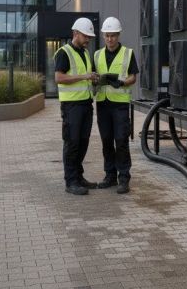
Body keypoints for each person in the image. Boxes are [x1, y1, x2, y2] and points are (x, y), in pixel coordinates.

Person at [54, 17, 100, 195]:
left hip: (86, 104)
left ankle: (79, 177)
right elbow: (59, 77)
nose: (88, 39)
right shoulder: (64, 52)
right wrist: (84, 77)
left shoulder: (85, 53)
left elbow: (85, 75)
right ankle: (70, 181)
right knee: (72, 143)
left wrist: (93, 77)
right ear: (75, 34)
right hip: (71, 106)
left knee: (83, 142)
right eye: (85, 35)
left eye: (90, 36)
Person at [93, 16, 138, 194]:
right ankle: (110, 176)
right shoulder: (97, 55)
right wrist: (97, 80)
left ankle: (124, 178)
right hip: (103, 105)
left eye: (113, 35)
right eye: (107, 35)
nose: (110, 39)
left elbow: (134, 76)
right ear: (103, 36)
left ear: (118, 35)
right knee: (106, 141)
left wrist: (123, 82)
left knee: (121, 141)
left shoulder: (128, 53)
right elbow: (94, 75)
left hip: (120, 105)